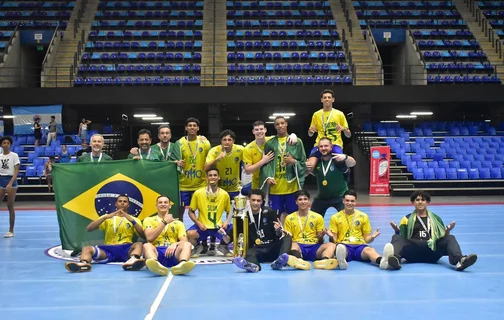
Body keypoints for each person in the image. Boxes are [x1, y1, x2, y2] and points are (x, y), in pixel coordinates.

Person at [386, 190, 478, 271]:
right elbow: (403, 237)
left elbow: (442, 238)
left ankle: (460, 260)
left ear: (427, 202)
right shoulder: (406, 219)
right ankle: (395, 261)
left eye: (423, 200)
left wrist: (448, 231)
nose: (420, 202)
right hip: (413, 251)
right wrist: (397, 231)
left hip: (432, 250)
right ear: (413, 202)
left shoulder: (436, 219)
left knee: (450, 238)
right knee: (396, 237)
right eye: (417, 200)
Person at [64, 194, 146, 272]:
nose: (122, 203)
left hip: (125, 249)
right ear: (116, 204)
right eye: (120, 201)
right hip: (108, 249)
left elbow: (143, 235)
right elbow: (89, 228)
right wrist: (104, 217)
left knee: (139, 244)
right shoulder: (107, 217)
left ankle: (133, 261)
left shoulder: (134, 219)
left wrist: (132, 221)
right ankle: (83, 264)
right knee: (87, 248)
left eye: (125, 201)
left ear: (128, 205)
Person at [328, 190, 392, 270]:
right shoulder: (335, 217)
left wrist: (372, 237)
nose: (349, 203)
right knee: (341, 249)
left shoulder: (363, 216)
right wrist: (330, 236)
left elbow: (367, 239)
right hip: (344, 245)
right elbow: (334, 240)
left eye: (352, 201)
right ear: (343, 201)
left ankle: (382, 262)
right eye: (347, 200)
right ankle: (341, 261)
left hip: (360, 246)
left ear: (356, 202)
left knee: (370, 250)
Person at [232, 189, 293, 272]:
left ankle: (279, 262)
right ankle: (254, 266)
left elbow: (278, 235)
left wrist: (278, 231)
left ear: (262, 202)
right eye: (253, 200)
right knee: (248, 254)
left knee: (287, 238)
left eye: (258, 200)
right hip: (257, 249)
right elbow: (235, 232)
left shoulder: (269, 212)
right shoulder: (243, 216)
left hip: (271, 247)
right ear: (249, 200)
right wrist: (223, 239)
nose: (255, 203)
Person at [259, 116, 306, 224]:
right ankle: (278, 237)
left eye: (282, 123)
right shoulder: (270, 143)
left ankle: (293, 237)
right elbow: (266, 164)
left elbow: (303, 162)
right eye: (277, 124)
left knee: (293, 216)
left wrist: (292, 161)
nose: (280, 126)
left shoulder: (297, 142)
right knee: (275, 217)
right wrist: (268, 178)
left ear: (286, 124)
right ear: (274, 126)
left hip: (292, 187)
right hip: (275, 188)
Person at [204, 129, 243, 255]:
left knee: (234, 218)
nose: (227, 142)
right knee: (214, 214)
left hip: (234, 189)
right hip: (217, 189)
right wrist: (216, 159)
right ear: (221, 141)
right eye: (224, 140)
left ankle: (225, 244)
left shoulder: (240, 150)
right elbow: (205, 168)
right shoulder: (214, 151)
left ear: (233, 141)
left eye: (229, 140)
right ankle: (210, 245)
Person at [282, 190, 338, 270]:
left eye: (305, 199)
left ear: (309, 201)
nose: (303, 202)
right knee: (292, 245)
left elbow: (320, 241)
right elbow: (288, 240)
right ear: (296, 202)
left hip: (314, 247)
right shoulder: (289, 218)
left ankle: (324, 261)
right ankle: (299, 260)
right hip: (298, 246)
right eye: (300, 199)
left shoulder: (318, 217)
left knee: (331, 245)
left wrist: (320, 237)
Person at [142, 196, 195, 276]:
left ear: (169, 205)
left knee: (187, 244)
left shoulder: (178, 223)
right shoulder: (148, 220)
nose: (163, 204)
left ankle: (182, 265)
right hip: (157, 252)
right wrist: (164, 222)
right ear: (156, 205)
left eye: (165, 202)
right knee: (147, 245)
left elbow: (184, 241)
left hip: (173, 252)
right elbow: (149, 238)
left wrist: (175, 244)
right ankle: (155, 265)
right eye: (160, 202)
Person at [187, 167, 233, 257]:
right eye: (210, 175)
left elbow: (229, 211)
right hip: (202, 227)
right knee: (189, 234)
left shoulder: (224, 194)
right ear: (207, 178)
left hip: (218, 228)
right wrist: (198, 223)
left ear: (219, 177)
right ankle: (197, 247)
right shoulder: (198, 193)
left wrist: (227, 222)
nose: (212, 177)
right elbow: (191, 212)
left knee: (235, 231)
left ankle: (223, 246)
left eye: (215, 175)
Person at [243, 120, 298, 190]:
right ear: (253, 131)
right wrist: (263, 161)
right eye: (256, 130)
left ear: (265, 130)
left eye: (261, 129)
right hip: (257, 183)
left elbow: (284, 136)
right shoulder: (248, 148)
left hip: (273, 181)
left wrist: (293, 135)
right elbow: (247, 170)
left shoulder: (273, 140)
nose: (259, 131)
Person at [306, 89, 351, 175]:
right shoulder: (316, 114)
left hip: (335, 144)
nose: (327, 99)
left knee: (339, 161)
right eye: (325, 97)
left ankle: (346, 172)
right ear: (321, 100)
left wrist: (343, 129)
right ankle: (317, 174)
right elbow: (310, 134)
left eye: (329, 97)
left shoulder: (339, 114)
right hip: (320, 145)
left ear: (333, 99)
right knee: (309, 166)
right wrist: (310, 131)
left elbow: (348, 135)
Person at [309, 137, 356, 217]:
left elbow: (353, 163)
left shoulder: (338, 159)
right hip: (322, 197)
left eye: (326, 146)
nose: (323, 148)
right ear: (318, 148)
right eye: (321, 146)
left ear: (331, 147)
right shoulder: (317, 162)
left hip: (340, 196)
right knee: (313, 219)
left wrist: (345, 157)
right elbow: (309, 172)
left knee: (346, 220)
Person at [177, 118, 211, 222]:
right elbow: (175, 160)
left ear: (198, 128)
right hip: (184, 184)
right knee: (181, 209)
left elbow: (210, 160)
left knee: (202, 208)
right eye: (190, 125)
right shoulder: (179, 143)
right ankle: (180, 230)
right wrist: (178, 162)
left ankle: (204, 229)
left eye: (194, 125)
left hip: (201, 183)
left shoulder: (205, 143)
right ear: (186, 128)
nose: (192, 127)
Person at [0, 136, 20, 238]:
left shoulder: (14, 155)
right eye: (4, 143)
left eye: (8, 143)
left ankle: (11, 230)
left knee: (9, 205)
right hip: (1, 180)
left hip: (11, 180)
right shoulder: (0, 156)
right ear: (1, 145)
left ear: (10, 144)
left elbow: (16, 170)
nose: (6, 144)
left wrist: (10, 183)